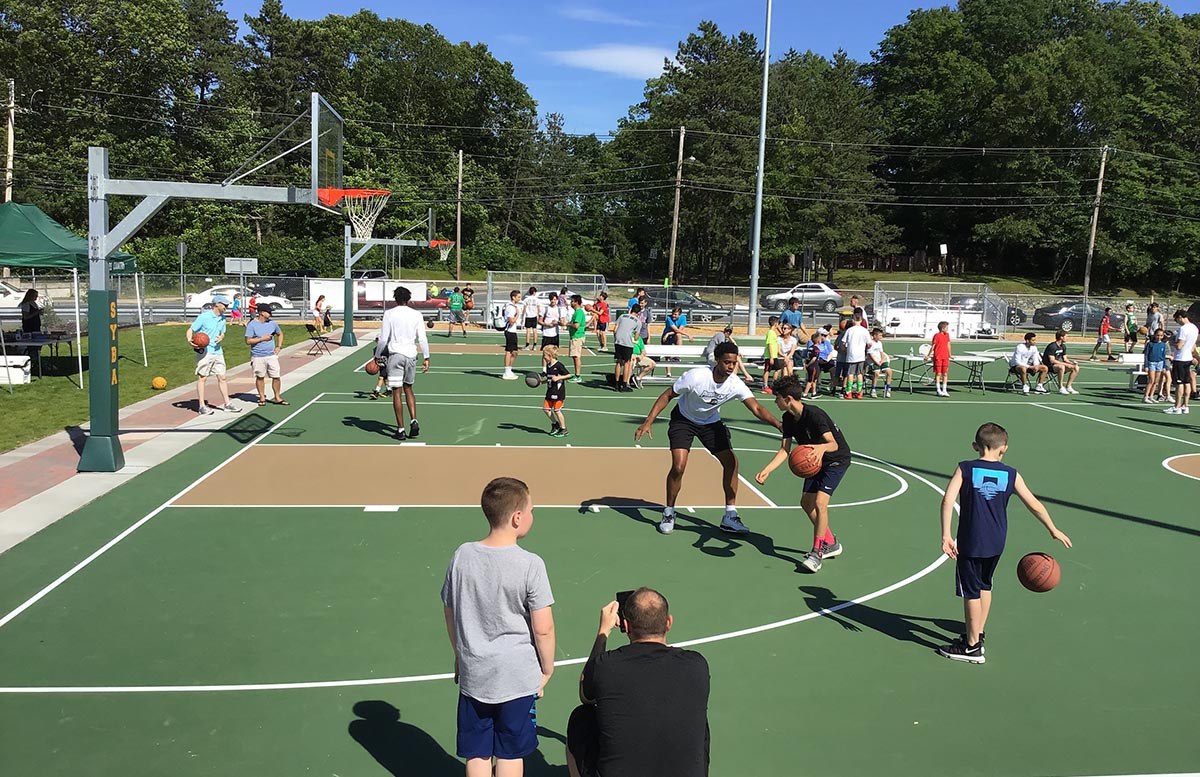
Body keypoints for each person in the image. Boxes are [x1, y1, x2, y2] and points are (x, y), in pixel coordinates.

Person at [442, 477, 556, 776]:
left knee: (477, 753)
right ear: (517, 517)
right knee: (510, 753)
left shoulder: (462, 555)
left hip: (475, 672)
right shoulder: (531, 564)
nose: (533, 516)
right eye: (531, 510)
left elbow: (450, 610)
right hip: (516, 676)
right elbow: (542, 628)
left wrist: (459, 653)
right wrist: (546, 669)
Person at [935, 422, 1072, 663]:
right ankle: (978, 633)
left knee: (970, 591)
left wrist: (946, 535)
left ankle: (971, 647)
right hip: (997, 541)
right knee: (985, 585)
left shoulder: (965, 468)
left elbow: (948, 500)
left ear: (975, 446)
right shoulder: (1011, 474)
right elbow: (1034, 503)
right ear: (1004, 448)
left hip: (971, 541)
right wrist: (1052, 529)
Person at [634, 341, 782, 536]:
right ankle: (669, 512)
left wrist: (779, 425)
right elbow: (667, 395)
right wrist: (648, 421)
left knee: (731, 463)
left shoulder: (735, 383)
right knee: (678, 467)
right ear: (717, 361)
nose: (731, 367)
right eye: (727, 362)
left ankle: (730, 515)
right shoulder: (696, 376)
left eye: (734, 363)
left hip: (711, 424)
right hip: (683, 421)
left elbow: (756, 408)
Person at [566, 589, 709, 777]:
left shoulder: (607, 665)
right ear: (668, 622)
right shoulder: (696, 664)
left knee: (581, 718)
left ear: (626, 625)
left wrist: (603, 632)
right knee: (701, 723)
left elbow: (586, 695)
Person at [755, 375, 851, 573]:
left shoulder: (814, 415)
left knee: (820, 503)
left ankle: (817, 553)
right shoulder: (788, 419)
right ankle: (831, 543)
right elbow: (784, 450)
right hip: (815, 461)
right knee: (806, 503)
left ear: (788, 399)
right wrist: (767, 470)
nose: (775, 401)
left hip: (835, 459)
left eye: (777, 398)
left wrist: (820, 449)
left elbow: (833, 444)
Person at [374, 285, 430, 441]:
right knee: (409, 389)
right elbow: (422, 338)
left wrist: (377, 355)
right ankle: (414, 419)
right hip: (411, 354)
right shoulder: (417, 314)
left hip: (396, 354)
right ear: (409, 299)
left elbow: (384, 338)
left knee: (397, 392)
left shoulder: (389, 314)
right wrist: (427, 356)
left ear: (395, 299)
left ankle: (401, 429)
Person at [188, 295, 240, 415]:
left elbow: (222, 333)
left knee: (222, 377)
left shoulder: (222, 319)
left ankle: (227, 404)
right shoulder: (204, 317)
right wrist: (190, 340)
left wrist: (221, 337)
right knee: (203, 377)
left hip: (218, 351)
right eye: (225, 305)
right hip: (205, 352)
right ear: (217, 304)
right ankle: (201, 406)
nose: (226, 307)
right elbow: (191, 329)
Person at [244, 303, 286, 406]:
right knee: (260, 376)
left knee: (276, 376)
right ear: (262, 313)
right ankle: (262, 397)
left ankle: (277, 397)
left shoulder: (273, 324)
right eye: (269, 312)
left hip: (271, 355)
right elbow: (248, 341)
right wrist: (262, 339)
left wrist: (278, 346)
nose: (270, 314)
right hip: (258, 356)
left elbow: (280, 334)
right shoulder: (252, 325)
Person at [1164, 308, 1198, 415]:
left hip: (1180, 358)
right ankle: (1185, 406)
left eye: (1177, 320)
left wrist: (1171, 341)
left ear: (1180, 317)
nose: (1177, 322)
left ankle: (1176, 407)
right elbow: (1192, 346)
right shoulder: (1194, 328)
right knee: (1187, 382)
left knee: (1179, 384)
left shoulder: (1184, 329)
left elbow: (1179, 346)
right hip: (1188, 357)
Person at [541, 345, 571, 437]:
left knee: (557, 410)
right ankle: (555, 424)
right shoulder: (549, 366)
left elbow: (569, 375)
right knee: (546, 409)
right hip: (550, 391)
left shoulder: (559, 365)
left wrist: (559, 377)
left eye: (544, 356)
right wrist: (542, 381)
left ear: (550, 355)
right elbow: (550, 378)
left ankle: (563, 429)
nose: (543, 357)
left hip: (558, 392)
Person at [840, 311, 872, 399]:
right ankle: (859, 392)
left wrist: (845, 349)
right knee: (859, 374)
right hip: (860, 355)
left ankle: (849, 391)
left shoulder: (849, 330)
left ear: (853, 320)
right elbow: (869, 344)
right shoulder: (865, 331)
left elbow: (843, 343)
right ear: (861, 320)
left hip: (851, 355)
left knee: (850, 373)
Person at [612, 304, 640, 392]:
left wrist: (616, 338)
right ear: (638, 312)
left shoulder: (622, 316)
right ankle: (624, 384)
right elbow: (636, 336)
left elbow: (615, 329)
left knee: (619, 362)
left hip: (618, 341)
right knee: (627, 363)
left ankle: (616, 384)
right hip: (627, 343)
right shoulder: (638, 321)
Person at [1042, 330, 1080, 395]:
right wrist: (1065, 364)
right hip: (1049, 366)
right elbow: (1052, 360)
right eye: (1066, 336)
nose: (1067, 338)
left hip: (1057, 365)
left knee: (1076, 368)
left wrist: (1071, 363)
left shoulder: (1063, 346)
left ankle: (1068, 386)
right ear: (1061, 337)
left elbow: (1065, 359)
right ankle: (1060, 387)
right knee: (1061, 367)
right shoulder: (1052, 346)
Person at [803, 329, 835, 398]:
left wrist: (806, 364)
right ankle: (805, 394)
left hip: (813, 364)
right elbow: (814, 358)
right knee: (810, 380)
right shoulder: (816, 349)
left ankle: (814, 393)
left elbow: (808, 357)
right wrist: (808, 364)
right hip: (814, 365)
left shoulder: (811, 348)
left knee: (814, 380)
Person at [538, 291, 562, 371]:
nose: (553, 301)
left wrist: (557, 323)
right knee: (545, 352)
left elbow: (562, 322)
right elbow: (539, 321)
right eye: (552, 299)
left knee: (554, 352)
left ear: (557, 300)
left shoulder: (559, 309)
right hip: (547, 334)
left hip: (555, 334)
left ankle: (553, 368)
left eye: (555, 299)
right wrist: (547, 324)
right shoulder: (545, 308)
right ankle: (544, 370)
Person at [866, 327, 893, 398]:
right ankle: (873, 389)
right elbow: (870, 354)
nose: (881, 337)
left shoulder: (880, 343)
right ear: (874, 335)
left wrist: (882, 360)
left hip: (880, 361)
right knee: (876, 373)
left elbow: (881, 352)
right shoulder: (870, 343)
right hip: (873, 362)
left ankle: (887, 388)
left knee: (889, 371)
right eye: (880, 335)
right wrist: (877, 362)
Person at [1143, 328, 1167, 405]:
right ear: (1155, 335)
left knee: (1156, 382)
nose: (1159, 337)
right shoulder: (1150, 344)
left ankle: (1151, 396)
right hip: (1151, 363)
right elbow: (1146, 355)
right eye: (1157, 335)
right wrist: (1146, 365)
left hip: (1159, 363)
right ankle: (1145, 396)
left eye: (1161, 335)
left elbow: (1163, 356)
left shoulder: (1163, 344)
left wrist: (1164, 366)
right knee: (1151, 380)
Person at [927, 321, 952, 396]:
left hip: (945, 357)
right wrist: (928, 355)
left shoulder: (947, 335)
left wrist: (950, 355)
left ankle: (944, 390)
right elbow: (933, 346)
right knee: (938, 374)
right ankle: (938, 390)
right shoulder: (936, 335)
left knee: (945, 374)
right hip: (938, 357)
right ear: (942, 328)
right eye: (946, 328)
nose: (947, 329)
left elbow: (948, 345)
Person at [501, 290, 522, 381]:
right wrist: (518, 314)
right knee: (509, 351)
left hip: (513, 331)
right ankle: (506, 371)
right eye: (518, 297)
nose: (519, 299)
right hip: (509, 331)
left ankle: (509, 369)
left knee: (515, 352)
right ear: (513, 297)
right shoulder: (511, 307)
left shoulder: (512, 306)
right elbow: (511, 321)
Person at [567, 295, 587, 383]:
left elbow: (576, 325)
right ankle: (577, 375)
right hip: (575, 336)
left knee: (576, 356)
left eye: (572, 301)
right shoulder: (577, 312)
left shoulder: (579, 312)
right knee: (575, 356)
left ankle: (577, 376)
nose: (571, 303)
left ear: (576, 302)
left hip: (577, 337)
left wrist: (567, 324)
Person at [760, 316, 783, 394]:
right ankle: (765, 386)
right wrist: (771, 357)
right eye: (778, 324)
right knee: (767, 370)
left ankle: (773, 384)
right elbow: (770, 345)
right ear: (776, 324)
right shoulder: (770, 332)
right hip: (770, 356)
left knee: (778, 369)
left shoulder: (773, 333)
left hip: (774, 356)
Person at [522, 287, 541, 351]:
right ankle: (534, 345)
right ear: (534, 292)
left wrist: (522, 317)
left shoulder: (526, 299)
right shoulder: (537, 300)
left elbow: (524, 309)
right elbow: (539, 309)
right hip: (534, 316)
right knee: (535, 330)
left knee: (528, 331)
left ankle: (527, 345)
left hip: (528, 316)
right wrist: (539, 317)